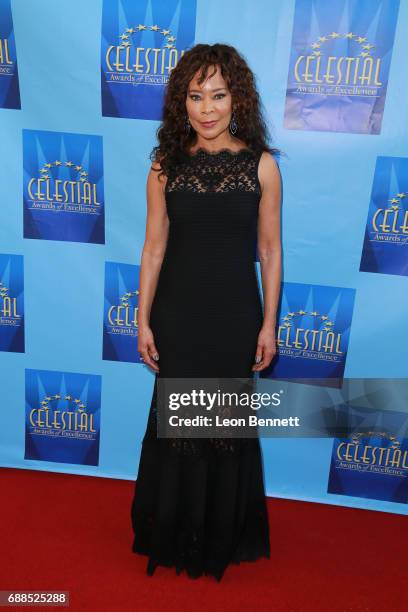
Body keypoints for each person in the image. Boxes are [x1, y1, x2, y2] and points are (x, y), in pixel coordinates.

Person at [130, 43, 282, 581]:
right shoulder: (164, 165)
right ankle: (173, 532)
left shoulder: (262, 166)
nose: (208, 108)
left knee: (222, 426)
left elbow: (269, 250)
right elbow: (153, 247)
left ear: (236, 97)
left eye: (218, 95)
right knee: (177, 426)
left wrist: (268, 323)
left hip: (235, 316)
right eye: (196, 96)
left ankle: (218, 534)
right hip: (177, 313)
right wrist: (143, 318)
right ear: (182, 103)